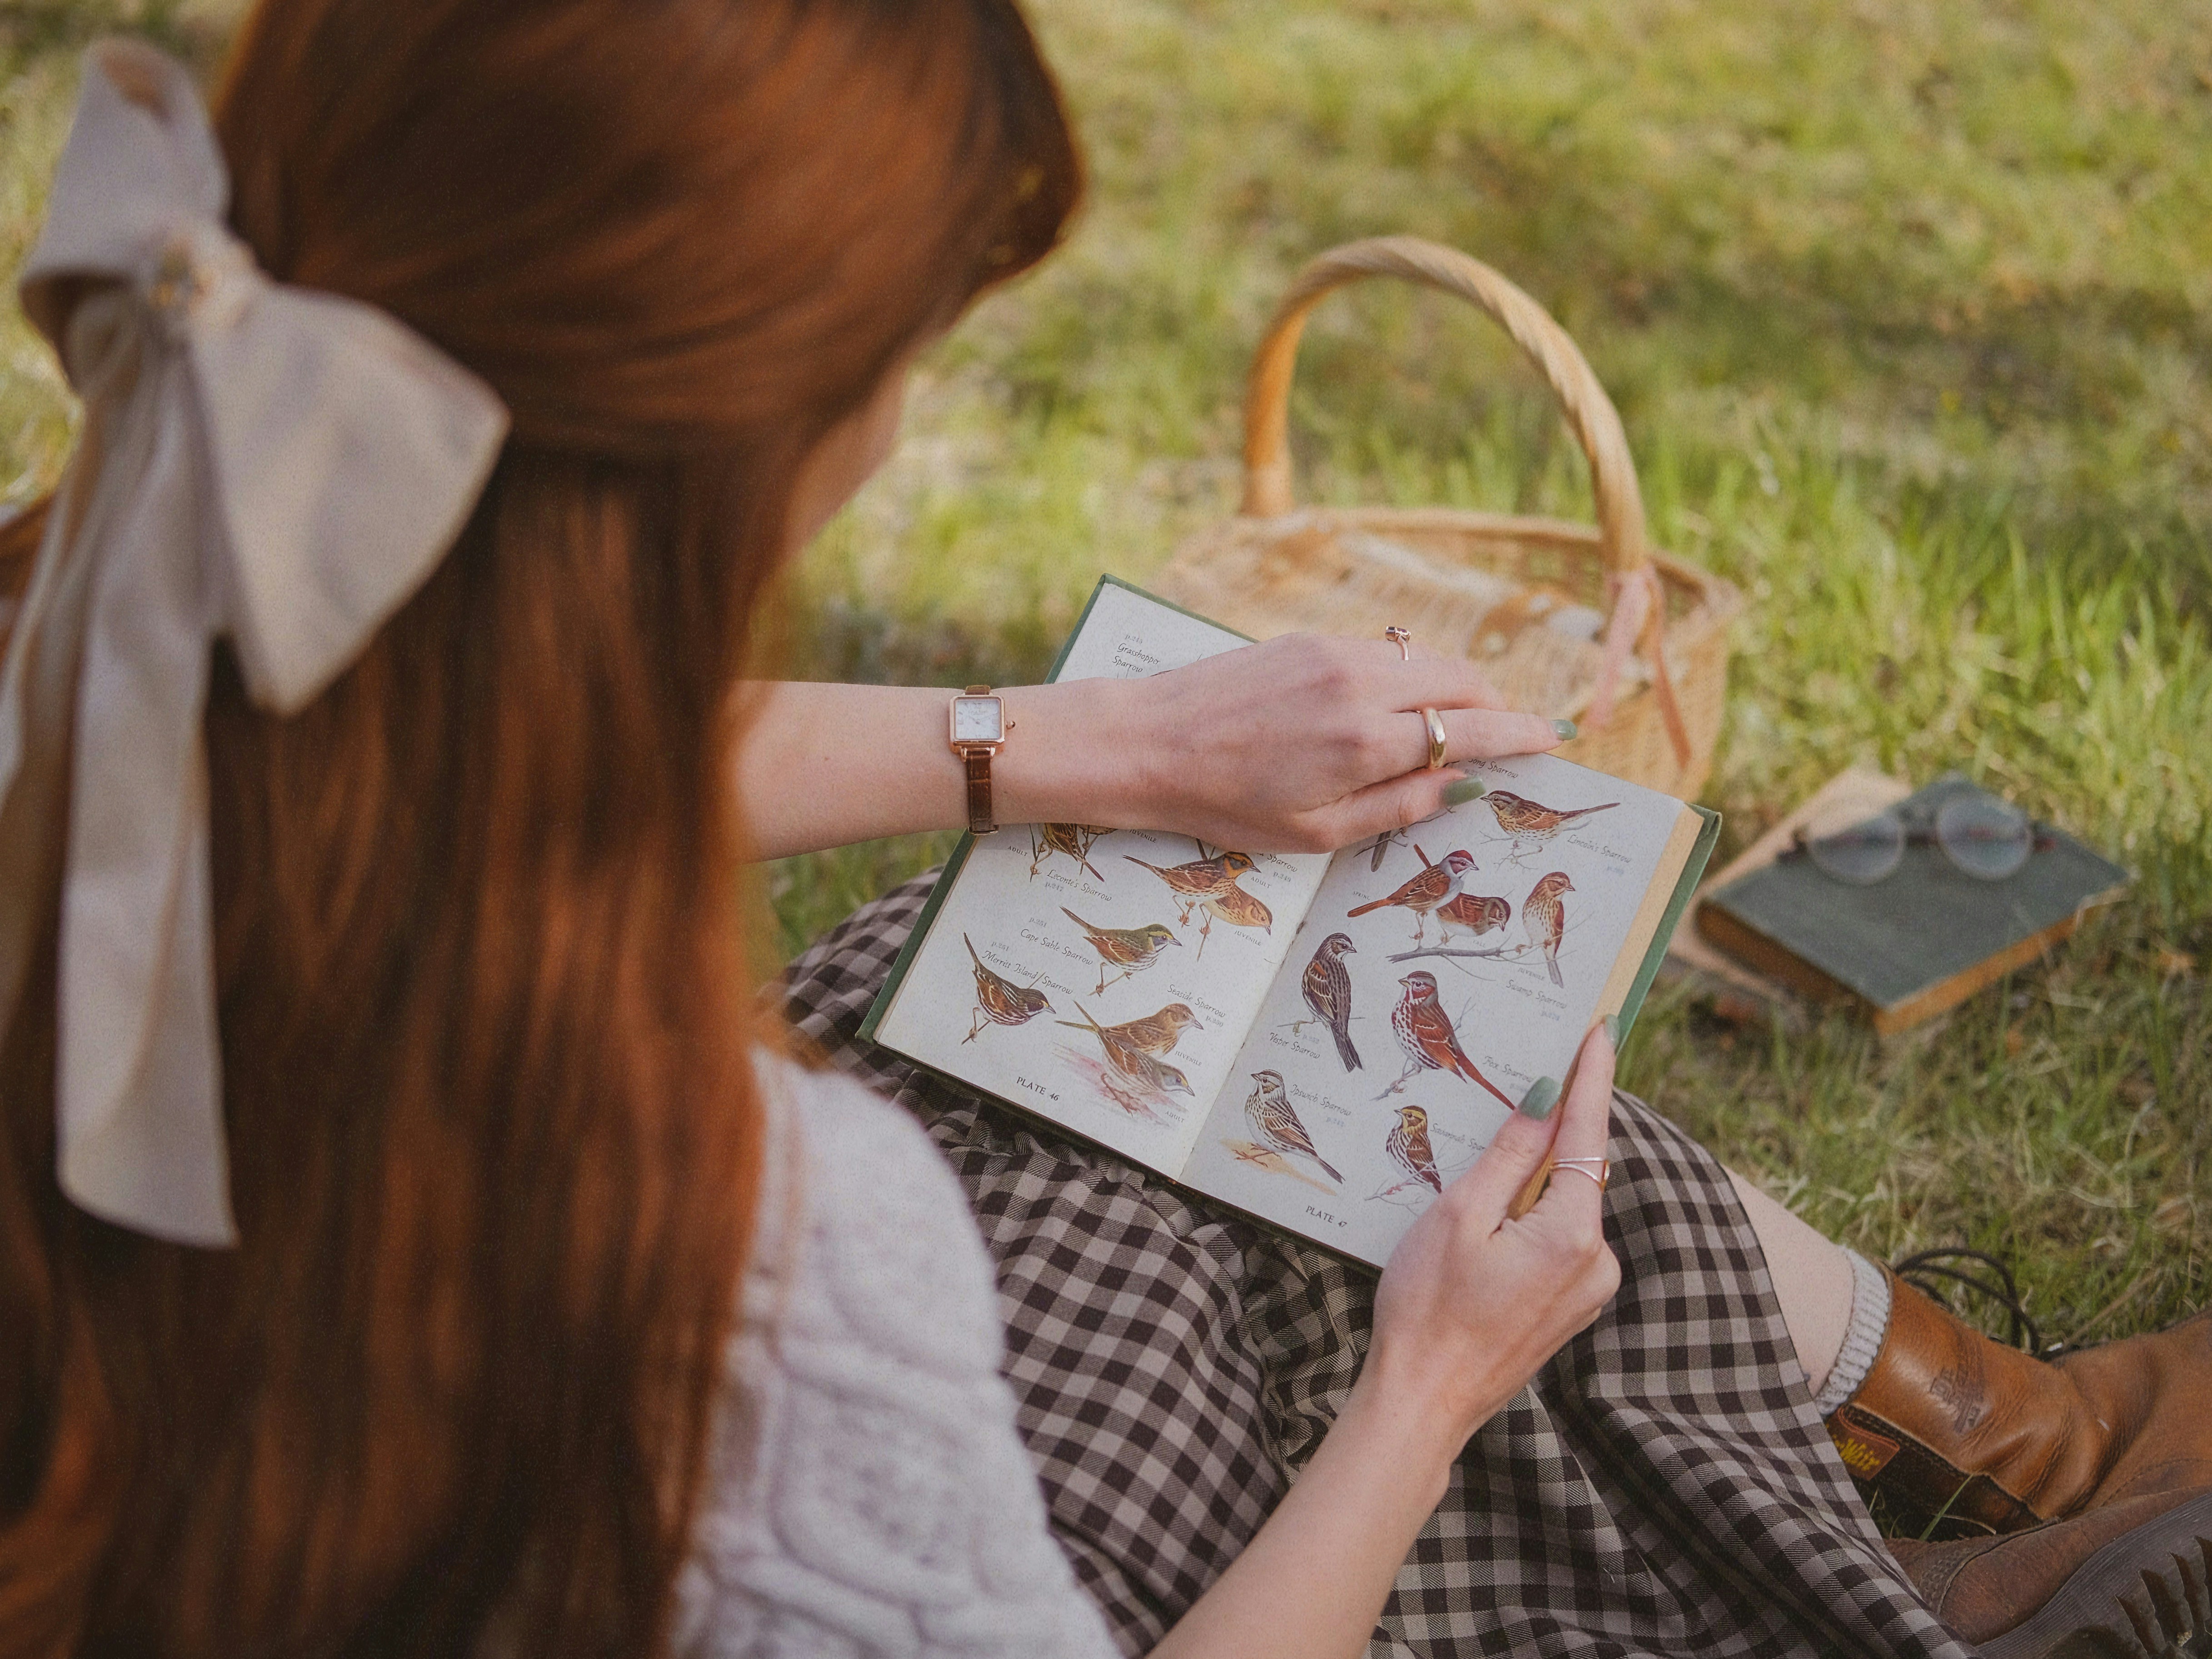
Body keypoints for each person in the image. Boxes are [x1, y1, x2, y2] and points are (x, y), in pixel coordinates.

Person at [0, 9, 2203, 1659]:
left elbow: (506, 742)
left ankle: (1952, 1453)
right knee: (1239, 1176)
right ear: (746, 453)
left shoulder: (102, 619)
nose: (897, 420)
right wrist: (1426, 1393)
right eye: (903, 356)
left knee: (1001, 988)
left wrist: (1086, 750)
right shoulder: (766, 1244)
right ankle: (1898, 1523)